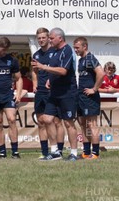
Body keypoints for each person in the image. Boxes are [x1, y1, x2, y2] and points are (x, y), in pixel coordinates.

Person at [32, 27, 79, 161]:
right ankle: (55, 152)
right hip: (54, 92)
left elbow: (63, 71)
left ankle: (74, 153)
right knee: (46, 119)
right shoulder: (55, 52)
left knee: (68, 123)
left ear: (60, 38)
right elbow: (54, 70)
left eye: (51, 38)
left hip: (67, 92)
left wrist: (43, 67)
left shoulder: (67, 50)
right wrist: (49, 79)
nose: (49, 41)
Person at [31, 27, 65, 159]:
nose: (41, 40)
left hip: (53, 91)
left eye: (44, 37)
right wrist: (35, 84)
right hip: (40, 91)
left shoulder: (55, 52)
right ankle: (45, 152)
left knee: (56, 122)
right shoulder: (36, 55)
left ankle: (59, 151)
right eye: (39, 38)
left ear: (48, 38)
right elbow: (34, 71)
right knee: (41, 122)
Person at [74, 37, 104, 160]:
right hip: (80, 96)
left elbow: (101, 73)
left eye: (77, 47)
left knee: (92, 124)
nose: (75, 50)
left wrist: (94, 89)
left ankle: (95, 153)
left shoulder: (90, 58)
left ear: (85, 47)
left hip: (90, 97)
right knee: (82, 124)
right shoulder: (81, 60)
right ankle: (86, 152)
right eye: (74, 47)